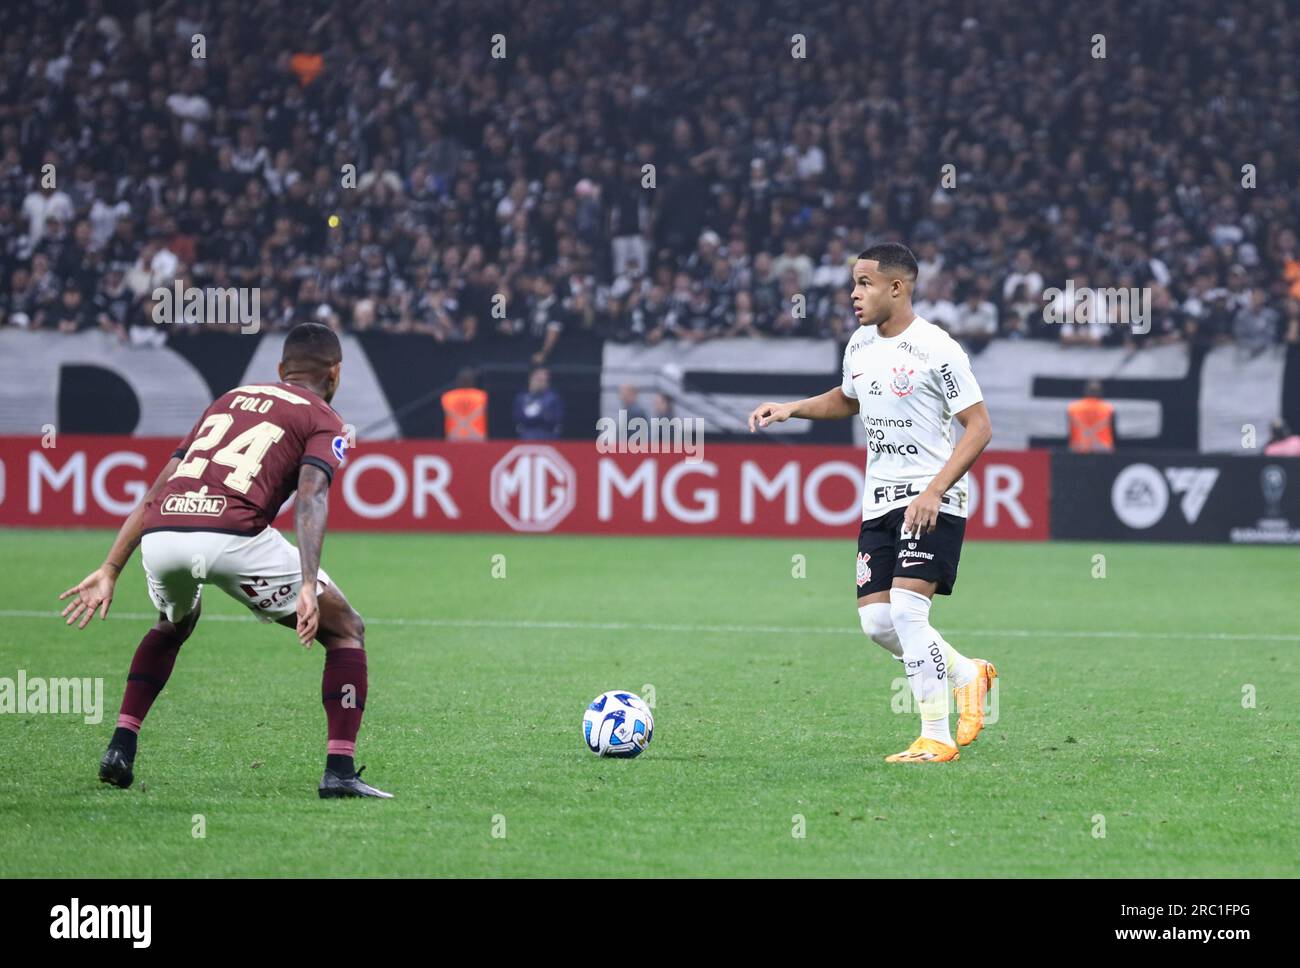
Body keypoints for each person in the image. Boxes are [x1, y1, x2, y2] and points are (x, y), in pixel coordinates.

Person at [58, 323, 392, 799]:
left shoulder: (227, 400)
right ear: (336, 374)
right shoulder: (324, 418)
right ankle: (338, 771)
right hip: (234, 538)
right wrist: (307, 581)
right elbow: (311, 497)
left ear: (280, 369)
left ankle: (120, 745)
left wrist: (111, 567)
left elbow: (157, 490)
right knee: (346, 630)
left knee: (173, 623)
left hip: (164, 535)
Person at [748, 243, 996, 764]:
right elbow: (849, 399)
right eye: (853, 284)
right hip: (878, 501)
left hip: (931, 500)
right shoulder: (860, 345)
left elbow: (979, 428)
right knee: (878, 624)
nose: (853, 294)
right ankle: (968, 675)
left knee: (908, 611)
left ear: (897, 287)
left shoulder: (938, 349)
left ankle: (936, 737)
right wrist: (792, 408)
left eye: (864, 283)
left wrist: (935, 491)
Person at [513, 367, 564, 439]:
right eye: (539, 380)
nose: (541, 383)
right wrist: (540, 416)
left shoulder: (553, 397)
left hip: (548, 435)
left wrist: (539, 417)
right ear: (531, 379)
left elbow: (557, 418)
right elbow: (518, 417)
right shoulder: (522, 397)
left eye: (544, 380)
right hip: (527, 435)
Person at [1067, 379, 1116, 453]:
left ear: (1085, 391)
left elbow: (1069, 431)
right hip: (1103, 448)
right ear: (1100, 392)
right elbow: (1113, 431)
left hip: (1079, 447)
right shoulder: (1108, 408)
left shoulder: (1073, 408)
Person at [441, 366, 488, 441]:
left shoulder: (448, 397)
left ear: (458, 381)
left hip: (454, 436)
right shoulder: (482, 396)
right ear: (472, 381)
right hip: (477, 437)